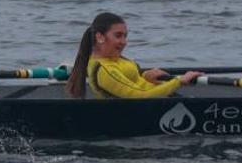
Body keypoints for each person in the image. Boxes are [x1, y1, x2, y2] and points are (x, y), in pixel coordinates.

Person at [65, 12, 201, 99]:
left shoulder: (115, 59)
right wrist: (179, 81)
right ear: (100, 37)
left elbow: (136, 84)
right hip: (136, 114)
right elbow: (140, 95)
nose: (124, 42)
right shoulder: (103, 70)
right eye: (118, 36)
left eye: (125, 36)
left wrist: (148, 78)